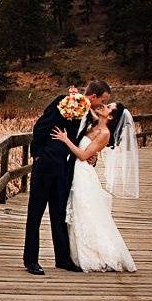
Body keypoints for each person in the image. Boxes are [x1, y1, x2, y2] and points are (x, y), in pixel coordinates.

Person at [22, 80, 111, 275]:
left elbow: (81, 139)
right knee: (35, 211)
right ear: (94, 96)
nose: (102, 105)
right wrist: (37, 154)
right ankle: (31, 260)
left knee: (59, 213)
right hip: (46, 163)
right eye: (102, 100)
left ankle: (62, 259)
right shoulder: (65, 102)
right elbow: (40, 127)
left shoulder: (90, 116)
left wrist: (90, 155)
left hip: (66, 168)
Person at [51, 102, 138, 272]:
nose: (104, 105)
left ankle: (95, 254)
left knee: (84, 211)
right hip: (75, 171)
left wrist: (65, 139)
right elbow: (87, 105)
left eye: (108, 107)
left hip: (83, 174)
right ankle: (73, 253)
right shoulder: (92, 123)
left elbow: (83, 155)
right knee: (77, 212)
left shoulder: (105, 133)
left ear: (111, 116)